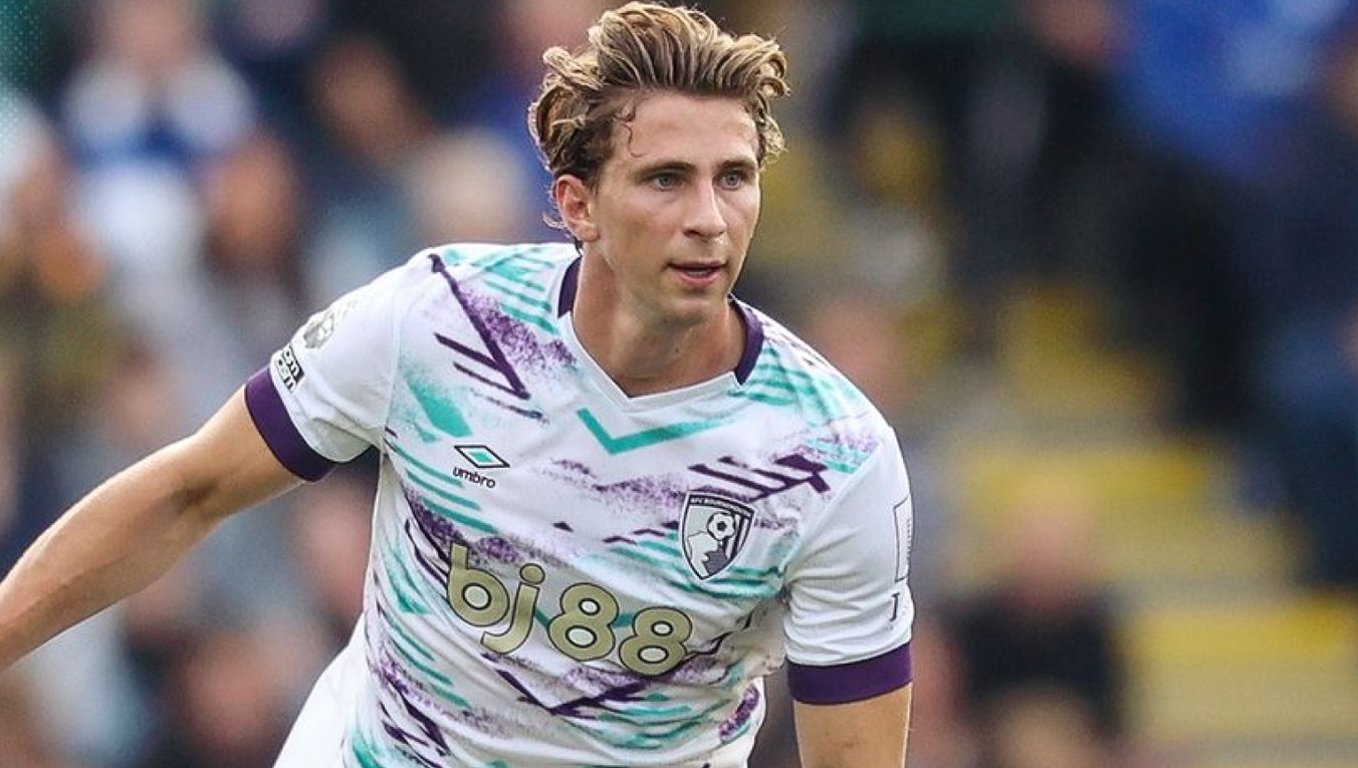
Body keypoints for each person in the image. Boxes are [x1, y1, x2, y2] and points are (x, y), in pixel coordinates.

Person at [0, 3, 915, 766]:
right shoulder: (438, 321)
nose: (709, 219)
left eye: (734, 179)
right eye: (666, 179)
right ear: (577, 205)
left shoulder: (833, 459)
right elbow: (187, 492)